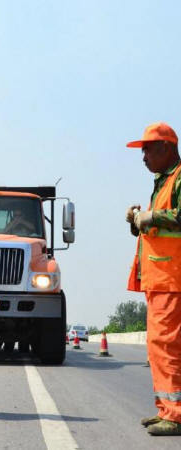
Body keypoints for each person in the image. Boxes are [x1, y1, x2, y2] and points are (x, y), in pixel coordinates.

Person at [125, 122, 181, 436]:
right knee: (160, 347)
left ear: (166, 147)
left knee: (167, 346)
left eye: (147, 148)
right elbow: (160, 229)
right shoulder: (163, 181)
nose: (143, 155)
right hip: (161, 279)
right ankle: (167, 410)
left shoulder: (178, 177)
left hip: (172, 278)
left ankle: (174, 415)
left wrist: (152, 217)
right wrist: (137, 222)